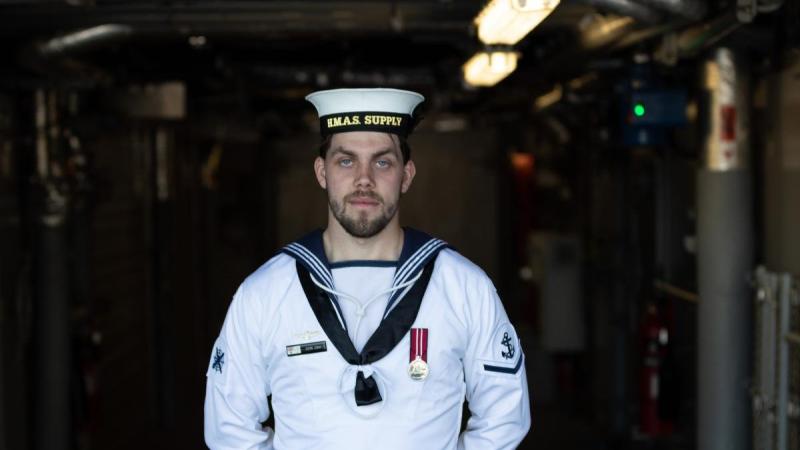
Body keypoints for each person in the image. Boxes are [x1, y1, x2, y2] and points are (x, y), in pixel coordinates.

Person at [204, 88, 531, 449]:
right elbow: (229, 429)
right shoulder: (264, 293)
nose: (364, 179)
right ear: (321, 172)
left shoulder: (464, 287)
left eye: (382, 162)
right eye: (346, 161)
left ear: (406, 175)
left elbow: (505, 416)